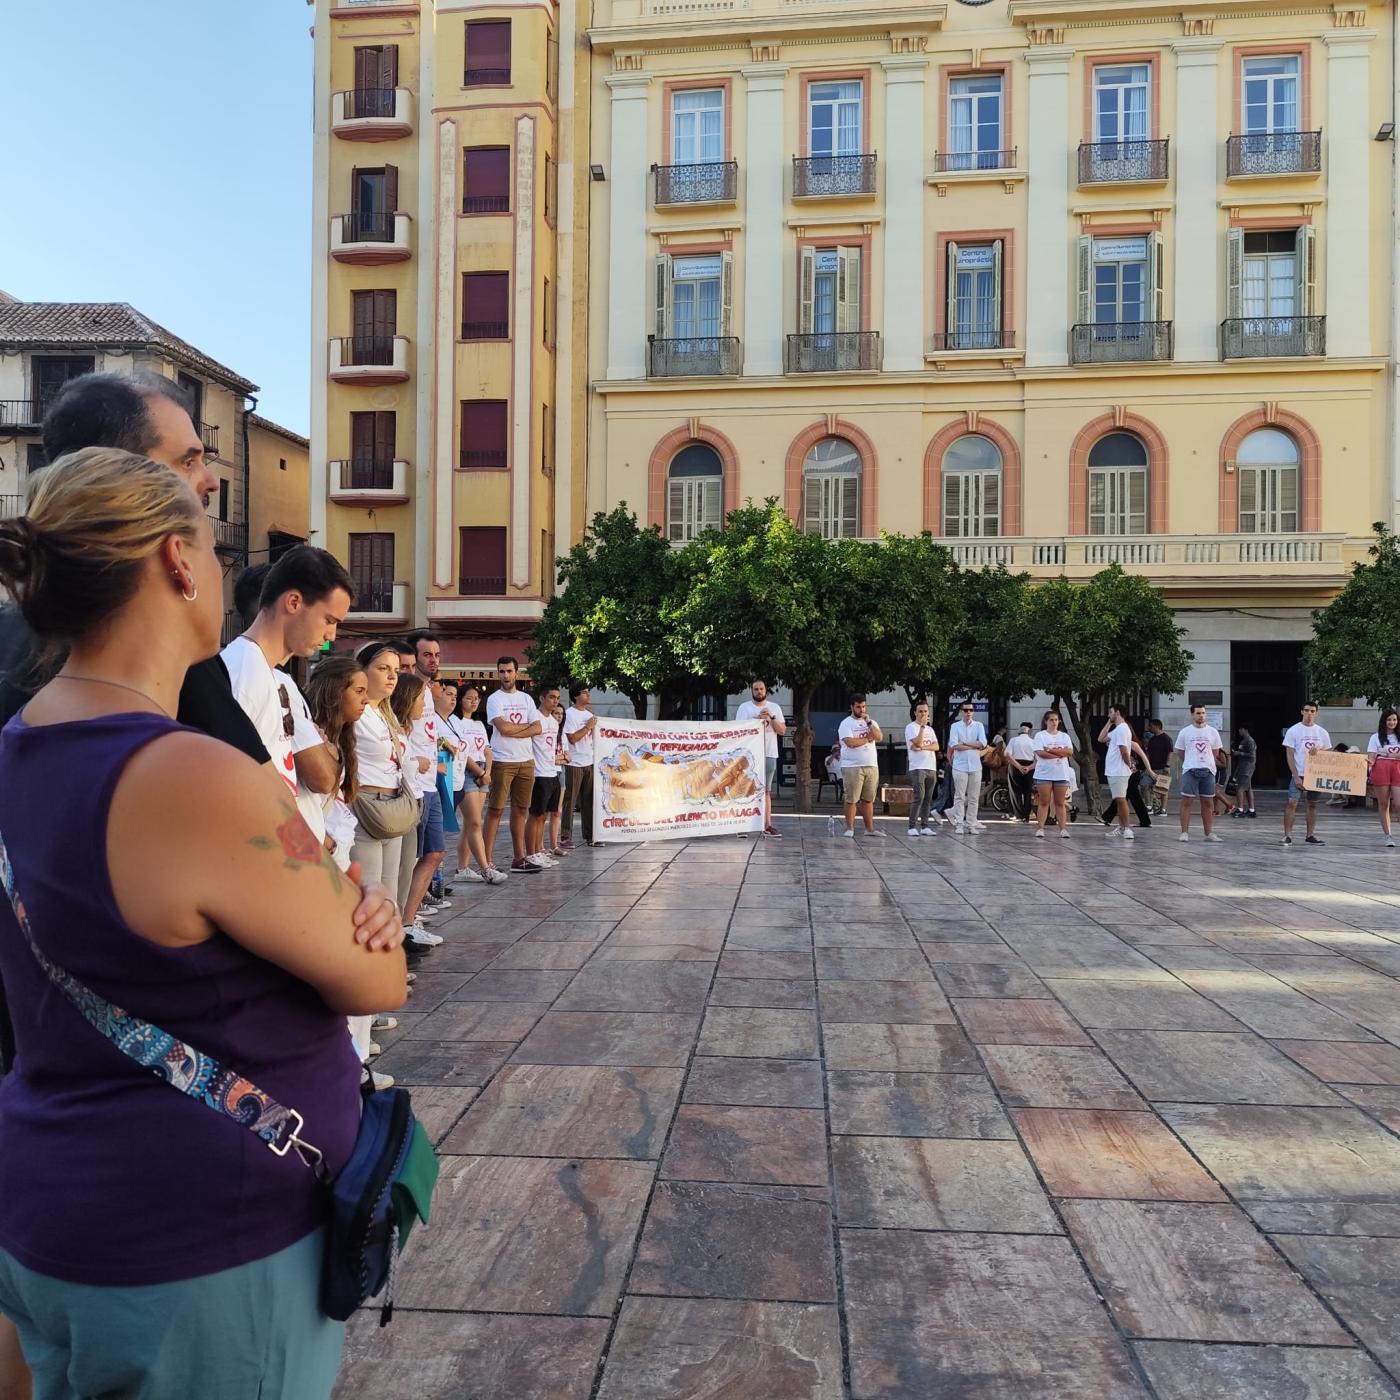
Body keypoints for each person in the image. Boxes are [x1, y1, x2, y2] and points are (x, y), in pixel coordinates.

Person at [0, 446, 406, 1398]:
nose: (226, 573)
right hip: (199, 1243)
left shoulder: (17, 749)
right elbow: (377, 979)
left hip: (51, 1206)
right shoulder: (191, 776)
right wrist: (357, 909)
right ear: (179, 563)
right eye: (217, 552)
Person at [303, 655, 395, 1090]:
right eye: (357, 690)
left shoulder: (343, 738)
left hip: (337, 854)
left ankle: (356, 1056)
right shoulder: (310, 739)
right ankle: (350, 1063)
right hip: (317, 862)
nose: (365, 698)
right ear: (333, 692)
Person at [223, 549, 356, 847]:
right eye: (329, 620)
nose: (332, 635)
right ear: (294, 602)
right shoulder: (244, 672)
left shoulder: (268, 674)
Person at [390, 673, 445, 941]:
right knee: (406, 859)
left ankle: (408, 920)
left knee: (434, 852)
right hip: (411, 794)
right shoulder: (393, 728)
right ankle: (402, 923)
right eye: (421, 700)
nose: (425, 707)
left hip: (429, 788)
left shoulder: (416, 722)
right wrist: (415, 762)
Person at [349, 642, 406, 889]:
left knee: (389, 892)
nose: (392, 676)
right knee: (368, 892)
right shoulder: (354, 713)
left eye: (396, 670)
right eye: (384, 668)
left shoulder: (386, 713)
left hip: (392, 806)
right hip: (364, 806)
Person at [483, 657, 543, 874]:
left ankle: (519, 857)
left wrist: (514, 728)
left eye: (509, 671)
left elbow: (537, 728)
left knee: (521, 810)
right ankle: (486, 860)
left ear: (516, 672)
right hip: (502, 760)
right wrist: (523, 727)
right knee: (495, 811)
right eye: (501, 671)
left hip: (526, 761)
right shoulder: (494, 699)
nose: (505, 675)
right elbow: (503, 729)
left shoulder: (527, 699)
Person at [450, 685, 502, 883]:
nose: (473, 701)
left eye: (476, 698)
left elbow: (488, 750)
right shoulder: (454, 722)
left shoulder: (479, 724)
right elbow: (462, 752)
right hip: (466, 770)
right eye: (469, 698)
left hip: (483, 772)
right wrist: (480, 772)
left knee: (471, 823)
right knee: (474, 823)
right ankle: (485, 867)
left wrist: (486, 772)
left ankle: (463, 867)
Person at [735, 680, 787, 838]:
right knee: (745, 789)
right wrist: (757, 720)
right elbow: (739, 732)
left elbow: (782, 731)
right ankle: (742, 825)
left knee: (766, 791)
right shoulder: (744, 708)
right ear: (751, 691)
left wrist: (771, 717)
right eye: (755, 689)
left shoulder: (775, 708)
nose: (758, 692)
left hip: (769, 753)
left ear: (766, 690)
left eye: (761, 689)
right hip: (748, 755)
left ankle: (767, 825)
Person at [1282, 702, 1331, 847]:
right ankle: (1287, 835)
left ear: (1316, 713)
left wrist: (1319, 750)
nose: (1309, 713)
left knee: (1312, 804)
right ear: (1302, 711)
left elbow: (1328, 754)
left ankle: (1310, 834)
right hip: (1299, 772)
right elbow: (1290, 754)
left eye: (1313, 711)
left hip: (1315, 773)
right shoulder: (1294, 731)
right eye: (1307, 710)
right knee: (1292, 802)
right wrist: (1295, 776)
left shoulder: (1322, 732)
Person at [1174, 705, 1224, 843]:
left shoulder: (1213, 732)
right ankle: (1184, 832)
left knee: (1208, 802)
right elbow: (1180, 751)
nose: (1201, 716)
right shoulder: (1185, 732)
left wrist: (1208, 763)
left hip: (1208, 771)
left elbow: (1215, 752)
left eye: (1203, 713)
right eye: (1198, 713)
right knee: (1187, 801)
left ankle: (1209, 833)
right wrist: (1191, 761)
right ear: (1192, 715)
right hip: (1190, 770)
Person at [526, 687, 564, 868]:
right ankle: (531, 852)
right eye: (551, 697)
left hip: (552, 770)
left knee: (544, 816)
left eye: (557, 698)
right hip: (539, 772)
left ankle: (539, 851)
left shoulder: (554, 722)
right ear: (542, 698)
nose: (555, 701)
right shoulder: (534, 717)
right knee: (535, 814)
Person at [838, 695, 883, 838]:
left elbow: (879, 737)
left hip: (871, 765)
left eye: (863, 706)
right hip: (852, 766)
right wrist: (867, 739)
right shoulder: (846, 723)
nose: (861, 709)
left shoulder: (871, 722)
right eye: (858, 706)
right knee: (851, 798)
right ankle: (850, 828)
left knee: (868, 799)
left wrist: (869, 722)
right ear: (852, 707)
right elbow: (850, 742)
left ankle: (869, 829)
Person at [562, 684, 598, 847]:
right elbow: (573, 738)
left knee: (588, 800)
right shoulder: (569, 714)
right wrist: (588, 726)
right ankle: (565, 835)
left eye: (588, 692)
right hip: (574, 762)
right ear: (576, 696)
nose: (588, 695)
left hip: (589, 760)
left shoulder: (589, 714)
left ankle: (590, 835)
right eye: (584, 692)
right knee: (571, 799)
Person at [1099, 705, 1142, 840]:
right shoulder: (1117, 729)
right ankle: (1122, 827)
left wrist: (1129, 765)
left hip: (1119, 770)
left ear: (1117, 713)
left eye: (1110, 712)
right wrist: (1109, 722)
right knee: (1118, 800)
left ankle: (1126, 828)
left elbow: (1124, 750)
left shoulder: (1123, 729)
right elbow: (1101, 738)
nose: (1108, 715)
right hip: (1114, 770)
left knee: (1121, 800)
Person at [1032, 710, 1075, 839]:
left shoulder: (1064, 736)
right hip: (1044, 773)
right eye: (1051, 720)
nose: (1054, 722)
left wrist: (1051, 750)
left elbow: (1069, 752)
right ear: (1046, 721)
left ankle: (1063, 829)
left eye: (1056, 720)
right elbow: (1041, 753)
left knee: (1060, 802)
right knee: (1044, 802)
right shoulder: (1040, 736)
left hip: (1061, 773)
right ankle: (1040, 828)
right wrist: (1059, 753)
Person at [947, 703, 988, 834]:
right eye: (965, 710)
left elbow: (983, 743)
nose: (968, 712)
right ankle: (959, 823)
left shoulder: (979, 725)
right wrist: (973, 746)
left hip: (975, 765)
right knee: (959, 795)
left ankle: (971, 824)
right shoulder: (955, 726)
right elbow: (954, 744)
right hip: (960, 765)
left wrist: (964, 743)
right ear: (961, 712)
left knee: (973, 797)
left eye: (971, 710)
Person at [905, 702, 940, 837]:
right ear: (915, 713)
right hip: (918, 767)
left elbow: (936, 746)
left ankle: (925, 826)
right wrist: (922, 727)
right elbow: (918, 742)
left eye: (925, 711)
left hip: (931, 766)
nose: (923, 714)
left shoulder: (931, 730)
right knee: (919, 796)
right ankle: (912, 826)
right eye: (920, 711)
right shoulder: (911, 728)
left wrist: (923, 748)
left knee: (928, 798)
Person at [1367, 709, 1400, 848]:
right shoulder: (1375, 737)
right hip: (1381, 768)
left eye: (1394, 719)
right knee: (1384, 804)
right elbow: (1372, 756)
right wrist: (1369, 762)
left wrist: (1396, 757)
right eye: (1389, 720)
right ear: (1384, 721)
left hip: (1398, 768)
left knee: (1398, 804)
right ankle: (1388, 836)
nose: (1392, 722)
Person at [1007, 721, 1036, 821]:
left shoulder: (1013, 740)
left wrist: (1019, 766)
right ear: (1029, 732)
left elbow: (1007, 754)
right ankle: (1026, 816)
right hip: (1030, 766)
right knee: (1028, 791)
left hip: (1015, 766)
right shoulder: (1033, 742)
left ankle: (1018, 815)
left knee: (1015, 791)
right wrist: (1028, 768)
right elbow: (1038, 759)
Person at [1145, 718, 1174, 815]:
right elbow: (1148, 753)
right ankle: (1149, 806)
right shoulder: (1152, 739)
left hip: (1162, 767)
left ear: (1157, 726)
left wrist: (1167, 765)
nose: (1149, 728)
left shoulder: (1166, 739)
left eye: (1151, 726)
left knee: (1163, 789)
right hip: (1152, 767)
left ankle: (1163, 809)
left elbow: (1170, 753)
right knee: (1145, 784)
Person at [1230, 727, 1257, 818]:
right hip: (1242, 767)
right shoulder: (1244, 741)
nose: (1239, 732)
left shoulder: (1250, 741)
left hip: (1247, 768)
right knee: (1248, 788)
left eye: (1240, 730)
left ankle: (1240, 809)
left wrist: (1239, 754)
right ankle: (1251, 810)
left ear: (1245, 730)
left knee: (1239, 788)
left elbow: (1252, 755)